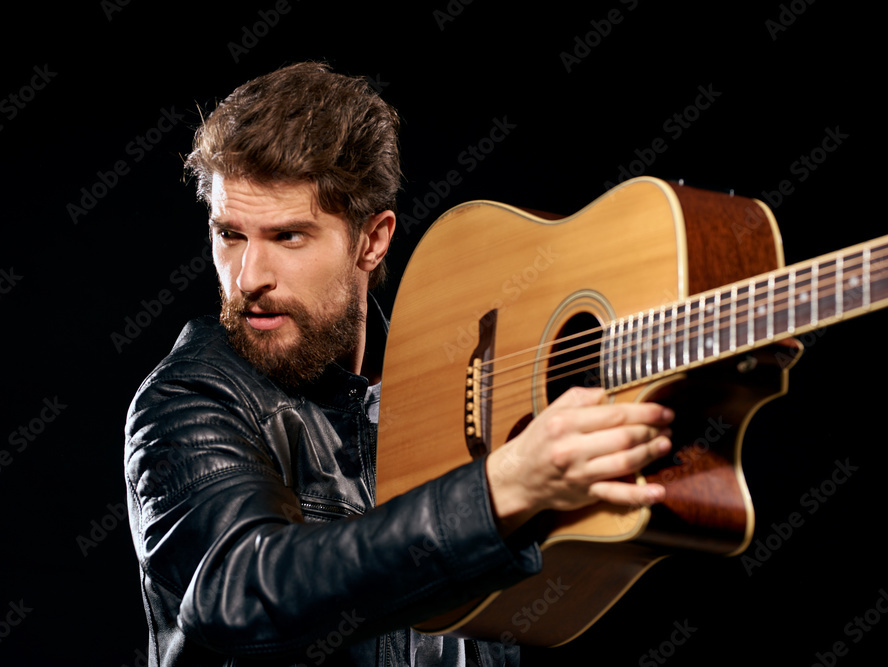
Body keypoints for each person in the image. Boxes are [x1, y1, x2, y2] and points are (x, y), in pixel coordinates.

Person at [124, 62, 674, 666]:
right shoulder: (188, 399)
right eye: (230, 235)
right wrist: (497, 489)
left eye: (288, 237)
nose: (248, 277)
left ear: (373, 239)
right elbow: (241, 593)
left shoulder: (456, 380)